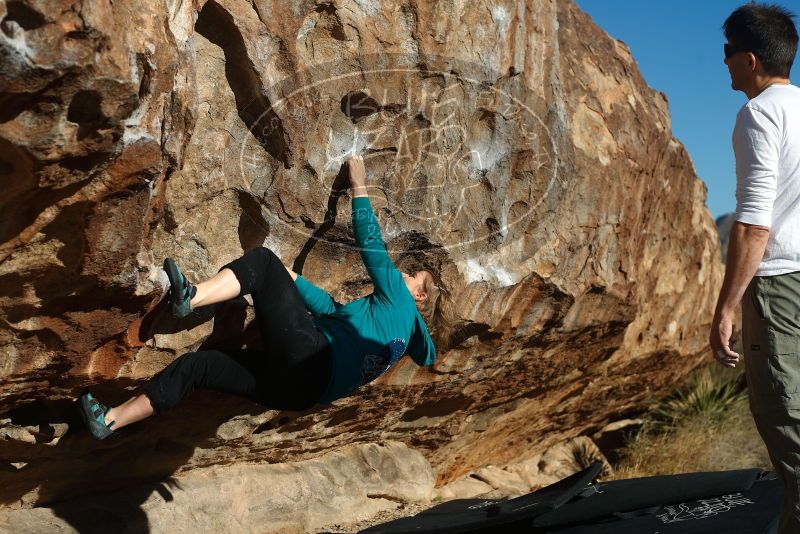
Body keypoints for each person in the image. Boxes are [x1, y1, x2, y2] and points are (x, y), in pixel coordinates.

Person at [79, 155, 457, 439]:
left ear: (420, 295)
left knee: (260, 262)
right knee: (200, 366)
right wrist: (290, 279)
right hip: (299, 392)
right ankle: (109, 421)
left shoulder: (401, 303)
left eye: (413, 276)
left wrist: (359, 182)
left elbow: (370, 242)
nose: (404, 274)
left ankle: (189, 298)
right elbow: (331, 311)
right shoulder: (396, 336)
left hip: (310, 361)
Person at [709, 4, 799, 532]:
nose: (722, 64)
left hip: (780, 285)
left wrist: (726, 309)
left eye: (726, 54)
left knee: (785, 419)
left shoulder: (760, 114)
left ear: (749, 59)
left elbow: (752, 225)